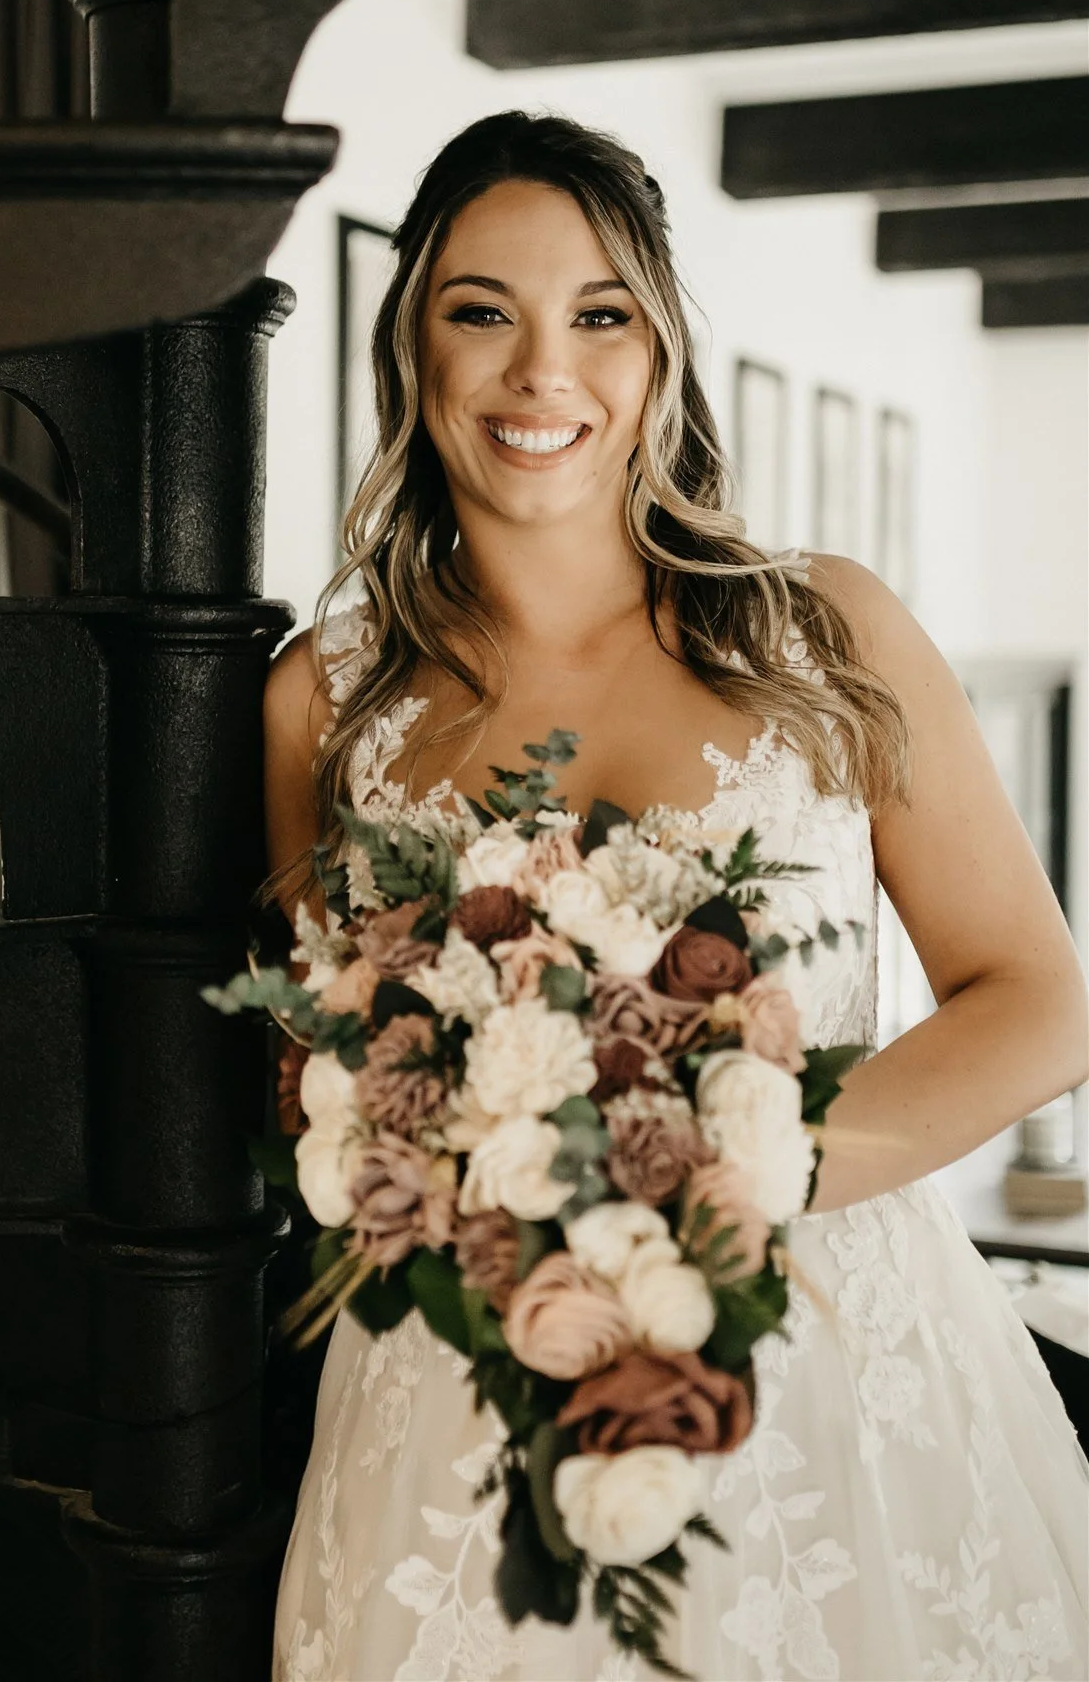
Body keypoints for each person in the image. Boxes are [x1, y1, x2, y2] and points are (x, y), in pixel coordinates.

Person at [262, 112, 1089, 1681]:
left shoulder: (820, 632)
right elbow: (310, 1067)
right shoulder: (329, 697)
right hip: (466, 1394)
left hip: (826, 1376)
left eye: (599, 315)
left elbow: (1038, 1004)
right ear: (410, 345)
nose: (540, 372)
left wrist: (727, 1180)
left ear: (659, 354)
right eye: (480, 311)